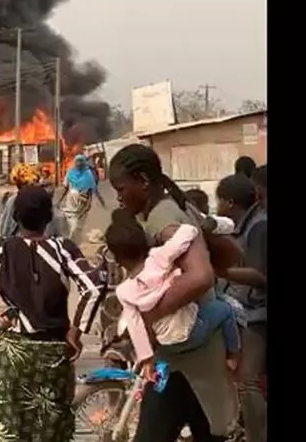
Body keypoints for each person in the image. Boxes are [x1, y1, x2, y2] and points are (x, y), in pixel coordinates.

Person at [0, 185, 106, 441]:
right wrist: (75, 333)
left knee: (8, 428)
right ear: (50, 217)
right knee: (49, 428)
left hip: (13, 357)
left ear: (15, 217)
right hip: (54, 353)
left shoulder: (0, 250)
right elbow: (94, 287)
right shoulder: (63, 249)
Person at [107, 143, 242, 442]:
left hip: (187, 350)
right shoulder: (172, 207)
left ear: (143, 181)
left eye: (120, 187)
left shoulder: (162, 218)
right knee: (204, 428)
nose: (117, 196)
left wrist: (148, 315)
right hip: (191, 352)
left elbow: (201, 275)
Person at [102, 209, 241, 372]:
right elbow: (188, 231)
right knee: (226, 309)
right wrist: (165, 235)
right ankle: (233, 355)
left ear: (117, 259)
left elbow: (136, 327)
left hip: (166, 343)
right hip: (192, 332)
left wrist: (147, 360)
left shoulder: (124, 291)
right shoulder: (158, 258)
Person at [215, 174, 267, 442]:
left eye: (219, 200)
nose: (217, 206)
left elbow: (260, 276)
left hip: (259, 314)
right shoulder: (249, 225)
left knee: (247, 381)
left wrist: (222, 270)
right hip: (251, 310)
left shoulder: (259, 226)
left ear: (229, 202)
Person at [56, 153, 107, 242]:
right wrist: (59, 201)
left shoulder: (88, 175)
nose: (79, 164)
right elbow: (65, 188)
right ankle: (71, 241)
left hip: (84, 204)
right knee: (72, 223)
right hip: (71, 203)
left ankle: (74, 242)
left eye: (81, 161)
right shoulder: (70, 173)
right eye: (77, 161)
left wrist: (101, 201)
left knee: (78, 225)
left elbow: (93, 189)